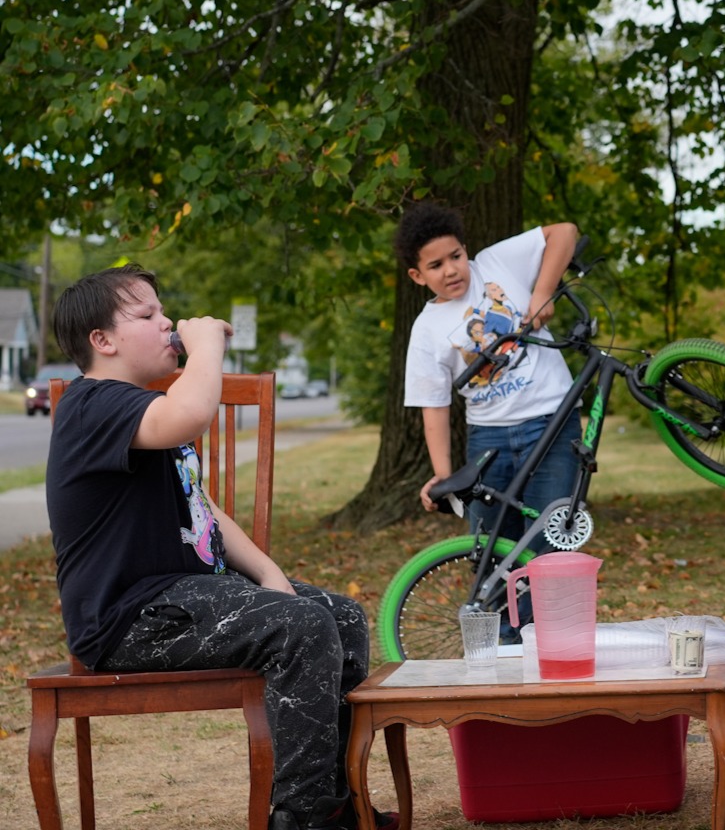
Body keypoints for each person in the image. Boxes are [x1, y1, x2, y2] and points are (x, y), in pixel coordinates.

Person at [45, 265, 394, 830]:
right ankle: (303, 818)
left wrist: (269, 573)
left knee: (342, 616)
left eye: (165, 312)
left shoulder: (137, 410)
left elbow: (198, 505)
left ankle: (335, 799)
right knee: (300, 628)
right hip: (131, 618)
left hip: (188, 598)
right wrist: (206, 345)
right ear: (102, 342)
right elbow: (189, 414)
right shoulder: (93, 406)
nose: (167, 325)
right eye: (148, 315)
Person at [397, 202, 582, 547]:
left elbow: (565, 231)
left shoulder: (496, 262)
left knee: (553, 543)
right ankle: (497, 605)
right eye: (435, 265)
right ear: (417, 275)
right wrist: (442, 474)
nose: (451, 270)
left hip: (553, 424)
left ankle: (548, 604)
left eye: (455, 256)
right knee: (489, 550)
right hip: (488, 440)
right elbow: (433, 405)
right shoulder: (425, 330)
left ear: (465, 250)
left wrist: (542, 292)